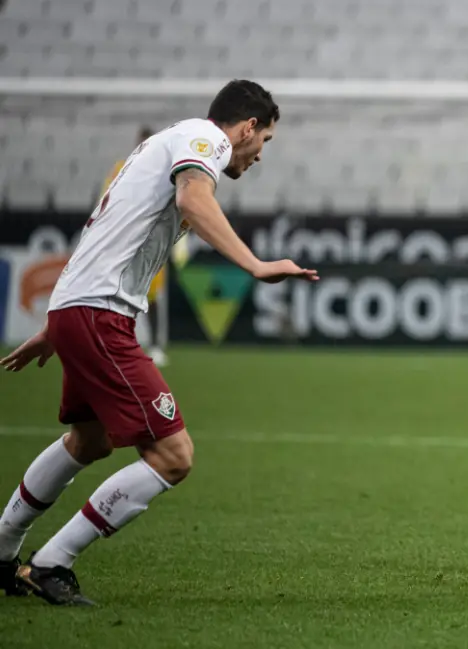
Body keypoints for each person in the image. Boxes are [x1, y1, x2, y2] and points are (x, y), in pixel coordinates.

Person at [0, 79, 319, 606]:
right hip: (99, 314)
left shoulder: (159, 145)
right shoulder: (205, 140)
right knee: (174, 455)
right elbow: (193, 198)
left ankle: (5, 550)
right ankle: (52, 562)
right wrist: (257, 265)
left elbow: (110, 231)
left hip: (82, 308)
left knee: (91, 440)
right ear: (246, 128)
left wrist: (58, 324)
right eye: (265, 141)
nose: (261, 154)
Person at [103, 126, 171, 367]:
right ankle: (116, 343)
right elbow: (107, 203)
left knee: (151, 297)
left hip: (151, 245)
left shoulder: (164, 173)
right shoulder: (121, 169)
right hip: (124, 246)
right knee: (117, 295)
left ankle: (155, 345)